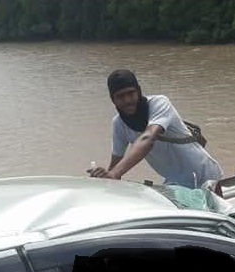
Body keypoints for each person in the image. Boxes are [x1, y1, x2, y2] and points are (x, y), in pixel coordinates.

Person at [87, 69, 224, 188]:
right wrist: (105, 178)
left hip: (205, 176)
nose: (127, 100)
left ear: (139, 91)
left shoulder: (159, 103)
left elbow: (148, 137)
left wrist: (115, 174)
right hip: (175, 183)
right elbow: (116, 163)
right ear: (113, 99)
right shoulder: (119, 124)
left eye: (130, 93)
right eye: (120, 97)